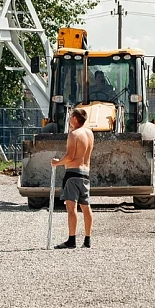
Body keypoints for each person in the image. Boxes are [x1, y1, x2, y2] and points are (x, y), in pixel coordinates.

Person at [51, 107, 95, 249]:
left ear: (75, 118)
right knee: (86, 207)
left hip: (72, 174)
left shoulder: (74, 134)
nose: (69, 119)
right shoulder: (90, 133)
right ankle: (87, 239)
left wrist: (57, 163)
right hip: (85, 173)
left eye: (71, 117)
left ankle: (71, 240)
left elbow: (70, 156)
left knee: (71, 208)